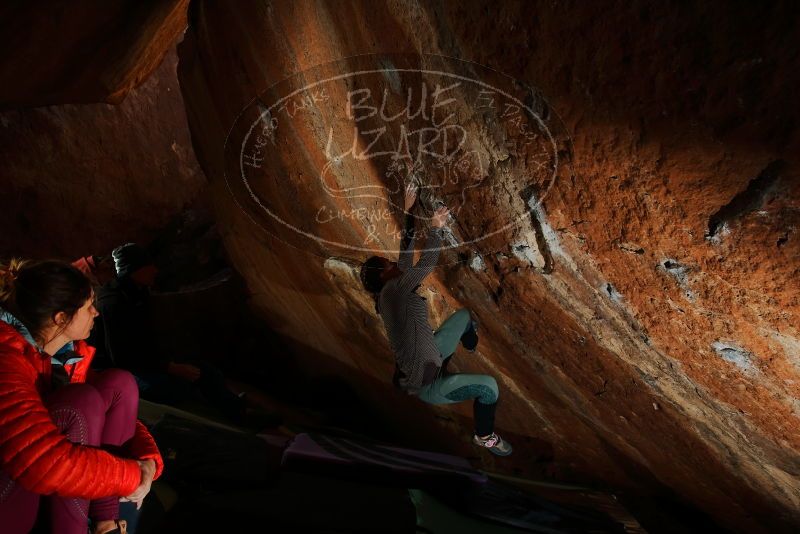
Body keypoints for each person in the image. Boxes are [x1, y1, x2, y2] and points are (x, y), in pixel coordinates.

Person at [0, 259, 163, 534]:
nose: (96, 313)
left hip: (36, 484)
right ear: (61, 318)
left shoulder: (61, 356)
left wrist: (148, 460)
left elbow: (115, 411)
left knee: (118, 383)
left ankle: (106, 524)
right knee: (79, 402)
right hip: (14, 496)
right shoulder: (7, 361)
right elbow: (40, 461)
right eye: (88, 306)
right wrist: (131, 475)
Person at [360, 184, 512, 456]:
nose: (393, 265)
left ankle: (470, 345)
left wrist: (409, 211)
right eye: (387, 266)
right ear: (383, 277)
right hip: (428, 384)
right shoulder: (392, 292)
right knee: (489, 388)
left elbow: (404, 258)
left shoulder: (392, 288)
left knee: (465, 317)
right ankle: (484, 435)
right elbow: (426, 265)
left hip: (433, 356)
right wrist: (436, 227)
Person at [92, 243, 249, 423]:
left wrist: (170, 361)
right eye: (148, 266)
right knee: (176, 386)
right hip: (114, 372)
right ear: (134, 270)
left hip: (140, 363)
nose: (155, 270)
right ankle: (223, 416)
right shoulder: (113, 304)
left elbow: (146, 339)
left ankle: (236, 411)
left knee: (205, 371)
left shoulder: (137, 293)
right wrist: (169, 367)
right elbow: (122, 358)